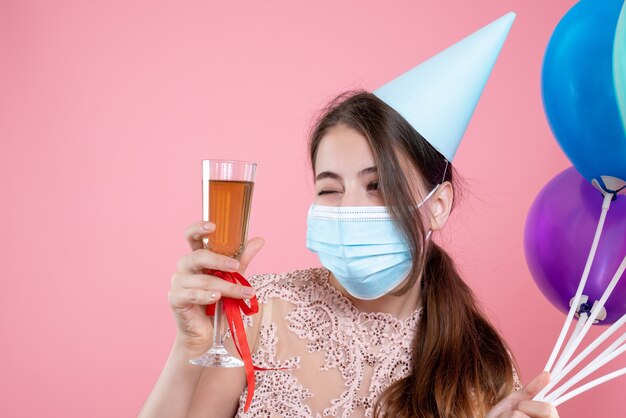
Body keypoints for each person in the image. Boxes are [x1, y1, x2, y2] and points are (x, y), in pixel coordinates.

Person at [139, 13, 560, 418]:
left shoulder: (482, 368)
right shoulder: (255, 313)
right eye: (329, 189)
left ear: (438, 205)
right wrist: (189, 346)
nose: (349, 208)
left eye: (376, 186)